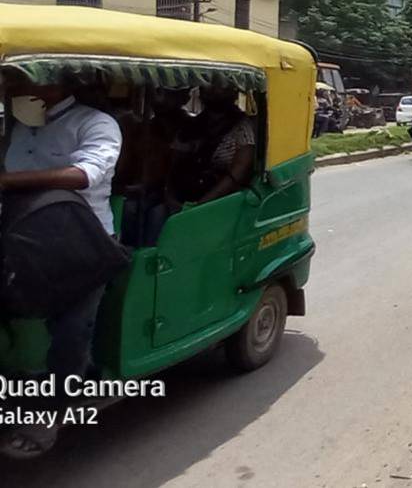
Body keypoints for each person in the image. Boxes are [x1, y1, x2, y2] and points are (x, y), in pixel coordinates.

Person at [0, 74, 122, 455]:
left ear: (56, 83)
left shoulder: (96, 123)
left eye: (26, 82)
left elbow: (82, 175)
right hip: (22, 238)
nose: (20, 90)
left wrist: (8, 181)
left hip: (80, 243)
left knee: (71, 331)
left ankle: (50, 414)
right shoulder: (21, 128)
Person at [116, 87, 192, 246]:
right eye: (157, 93)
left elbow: (178, 169)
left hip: (176, 193)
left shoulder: (190, 128)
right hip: (146, 192)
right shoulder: (143, 129)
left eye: (167, 94)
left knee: (157, 215)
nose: (159, 99)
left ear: (183, 98)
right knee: (129, 209)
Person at [171, 85, 256, 207]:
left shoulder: (242, 127)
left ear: (234, 91)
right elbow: (175, 165)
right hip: (185, 198)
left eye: (220, 84)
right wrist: (171, 198)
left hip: (223, 202)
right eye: (209, 83)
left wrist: (202, 205)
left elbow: (239, 172)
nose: (213, 89)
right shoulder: (191, 127)